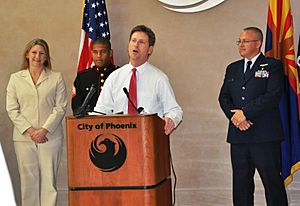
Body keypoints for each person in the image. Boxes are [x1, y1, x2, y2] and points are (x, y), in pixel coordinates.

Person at [218, 27, 288, 206]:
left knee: (272, 183)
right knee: (241, 185)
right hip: (239, 136)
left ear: (257, 44)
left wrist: (245, 113)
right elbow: (224, 97)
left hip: (264, 136)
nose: (240, 44)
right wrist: (236, 118)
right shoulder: (232, 68)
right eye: (239, 41)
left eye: (245, 41)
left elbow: (272, 95)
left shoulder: (272, 66)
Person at [6, 38, 67, 206]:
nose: (37, 57)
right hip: (24, 138)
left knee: (49, 181)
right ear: (27, 54)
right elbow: (12, 108)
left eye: (41, 53)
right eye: (34, 52)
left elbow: (60, 107)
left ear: (46, 57)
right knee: (28, 182)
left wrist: (44, 130)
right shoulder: (16, 78)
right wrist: (31, 131)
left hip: (51, 137)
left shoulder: (56, 78)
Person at [93, 25, 183, 135]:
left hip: (148, 139)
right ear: (128, 45)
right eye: (133, 40)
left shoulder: (159, 78)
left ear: (150, 49)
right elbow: (101, 110)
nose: (136, 45)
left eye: (141, 42)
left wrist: (171, 120)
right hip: (119, 140)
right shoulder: (114, 77)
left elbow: (175, 110)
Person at [71, 37, 118, 114]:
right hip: (89, 123)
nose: (99, 55)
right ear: (91, 53)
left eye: (103, 52)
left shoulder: (119, 74)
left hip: (114, 122)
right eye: (95, 52)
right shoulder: (83, 77)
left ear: (110, 53)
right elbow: (76, 106)